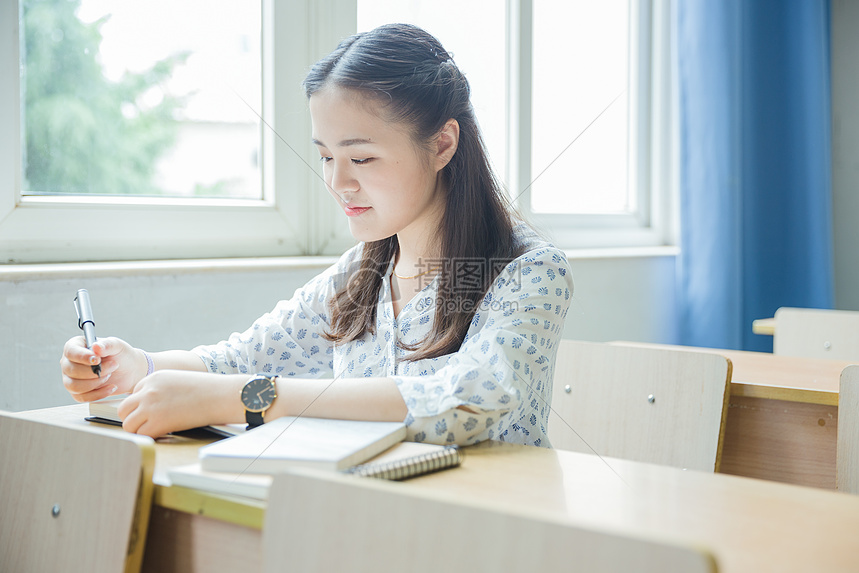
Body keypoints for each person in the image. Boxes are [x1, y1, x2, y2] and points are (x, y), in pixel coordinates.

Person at [60, 23, 573, 447]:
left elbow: (470, 396)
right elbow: (246, 358)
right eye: (326, 156)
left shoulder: (529, 270)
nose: (337, 182)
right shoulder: (365, 272)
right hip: (369, 518)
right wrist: (137, 365)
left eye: (362, 158)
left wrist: (245, 397)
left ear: (442, 144)